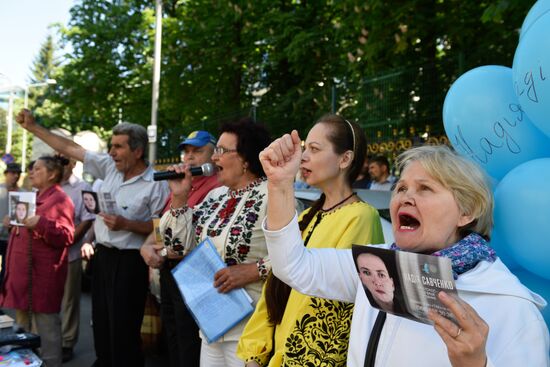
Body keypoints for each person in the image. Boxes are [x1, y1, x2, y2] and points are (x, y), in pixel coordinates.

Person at [259, 140, 550, 367]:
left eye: (425, 189)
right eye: (401, 188)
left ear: (466, 212)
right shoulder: (372, 264)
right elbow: (293, 266)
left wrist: (476, 364)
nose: (405, 197)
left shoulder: (510, 304)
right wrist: (279, 185)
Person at [16, 109, 169, 367]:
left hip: (131, 261)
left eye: (118, 147)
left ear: (138, 151)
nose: (111, 152)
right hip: (103, 256)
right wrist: (34, 127)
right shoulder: (108, 167)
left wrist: (126, 224)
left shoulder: (156, 183)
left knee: (124, 326)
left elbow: (160, 230)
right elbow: (69, 147)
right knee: (101, 321)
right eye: (111, 145)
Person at [237, 115, 384, 366]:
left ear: (345, 159)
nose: (303, 157)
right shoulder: (306, 215)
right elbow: (275, 285)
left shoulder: (361, 216)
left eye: (314, 149)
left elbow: (331, 312)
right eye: (305, 148)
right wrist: (255, 351)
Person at [159, 118, 272, 367]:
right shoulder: (215, 196)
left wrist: (255, 270)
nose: (214, 158)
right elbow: (177, 247)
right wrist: (179, 197)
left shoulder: (273, 196)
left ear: (246, 159)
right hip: (212, 319)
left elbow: (297, 254)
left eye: (222, 151)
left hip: (250, 324)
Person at [140, 130, 221, 367]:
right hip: (170, 273)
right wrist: (146, 246)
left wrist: (162, 252)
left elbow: (193, 241)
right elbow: (161, 225)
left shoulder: (215, 189)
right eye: (186, 151)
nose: (189, 157)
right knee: (173, 337)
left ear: (214, 155)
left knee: (188, 342)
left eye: (198, 151)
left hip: (194, 274)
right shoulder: (183, 185)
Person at [0, 155, 75, 367]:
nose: (31, 172)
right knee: (23, 330)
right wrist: (11, 223)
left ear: (52, 174)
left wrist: (42, 224)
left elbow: (66, 236)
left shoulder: (60, 200)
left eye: (38, 169)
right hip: (23, 276)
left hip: (42, 277)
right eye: (32, 169)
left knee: (46, 329)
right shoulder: (31, 196)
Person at [59, 156, 95, 362]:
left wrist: (72, 239)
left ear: (73, 162)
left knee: (69, 300)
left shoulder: (83, 187)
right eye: (55, 158)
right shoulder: (50, 184)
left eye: (64, 159)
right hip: (46, 255)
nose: (59, 163)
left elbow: (90, 218)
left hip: (69, 252)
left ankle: (67, 342)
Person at [0, 163, 22, 284]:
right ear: (6, 174)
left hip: (13, 238)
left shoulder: (23, 193)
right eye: (12, 173)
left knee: (7, 269)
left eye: (18, 173)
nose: (16, 176)